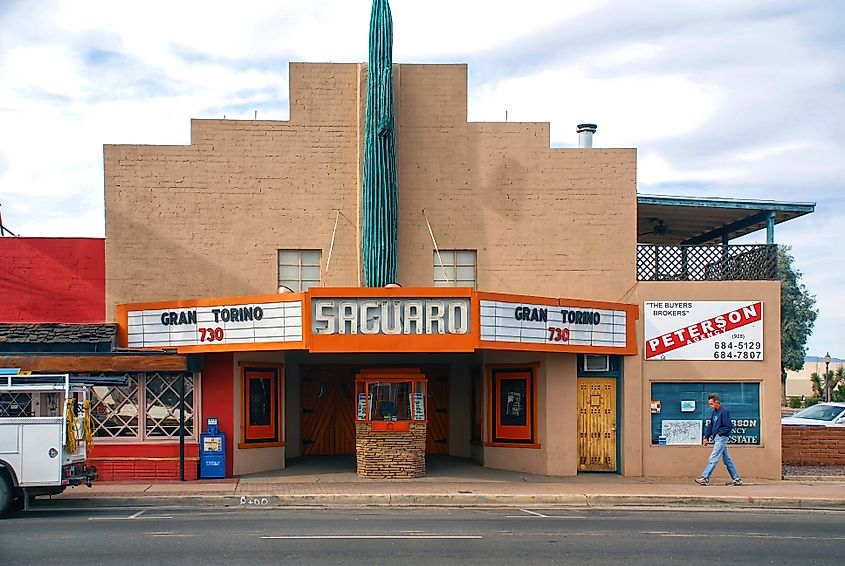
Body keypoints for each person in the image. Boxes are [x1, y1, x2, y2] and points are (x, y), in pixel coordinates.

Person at [695, 393, 743, 486]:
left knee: (713, 457)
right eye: (709, 404)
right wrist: (706, 437)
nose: (710, 406)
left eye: (711, 404)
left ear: (717, 402)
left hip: (721, 438)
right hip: (717, 438)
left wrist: (719, 433)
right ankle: (736, 479)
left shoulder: (724, 412)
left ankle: (705, 478)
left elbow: (728, 426)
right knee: (727, 460)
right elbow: (711, 425)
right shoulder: (714, 412)